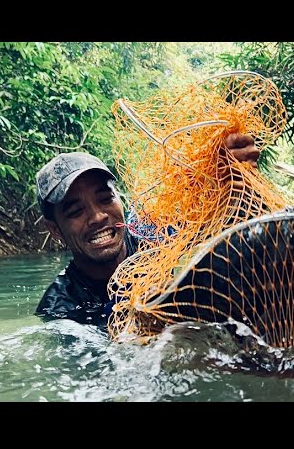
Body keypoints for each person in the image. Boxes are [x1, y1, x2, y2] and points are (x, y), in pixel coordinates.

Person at [34, 133, 260, 326]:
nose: (98, 216)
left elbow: (226, 235)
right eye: (75, 212)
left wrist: (235, 179)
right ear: (54, 229)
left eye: (105, 198)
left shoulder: (154, 235)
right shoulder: (60, 308)